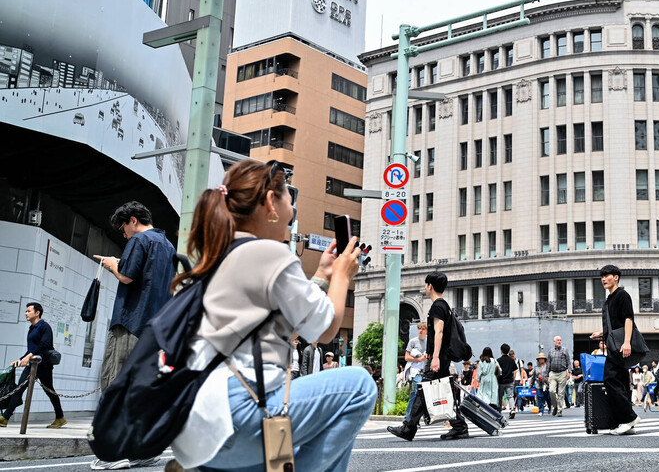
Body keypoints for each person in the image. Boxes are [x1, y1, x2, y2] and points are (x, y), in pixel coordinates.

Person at [167, 159, 376, 471]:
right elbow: (325, 330)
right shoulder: (269, 254)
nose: (292, 212)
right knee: (359, 386)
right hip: (238, 413)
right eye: (290, 199)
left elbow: (285, 327)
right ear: (270, 203)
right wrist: (343, 275)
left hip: (192, 425)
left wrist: (321, 277)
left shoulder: (213, 257)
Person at [93, 201, 176, 390]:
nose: (124, 235)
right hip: (155, 329)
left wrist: (112, 264)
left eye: (123, 228)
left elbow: (126, 277)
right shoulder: (169, 246)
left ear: (133, 220)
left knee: (115, 379)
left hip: (131, 323)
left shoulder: (139, 240)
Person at [388, 272, 470, 441]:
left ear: (430, 286)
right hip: (442, 357)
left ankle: (408, 428)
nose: (425, 287)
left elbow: (439, 332)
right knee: (441, 391)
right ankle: (459, 426)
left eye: (425, 285)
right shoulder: (444, 306)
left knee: (423, 390)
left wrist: (435, 357)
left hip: (439, 357)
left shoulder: (438, 306)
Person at [590, 264, 641, 435]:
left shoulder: (622, 295)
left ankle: (629, 418)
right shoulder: (609, 300)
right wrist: (601, 333)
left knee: (610, 379)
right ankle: (625, 423)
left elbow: (628, 319)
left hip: (620, 345)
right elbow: (615, 324)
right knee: (621, 382)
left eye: (607, 276)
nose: (604, 279)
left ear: (616, 277)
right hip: (613, 345)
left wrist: (627, 342)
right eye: (602, 277)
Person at [0, 303, 65, 429]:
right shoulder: (32, 328)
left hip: (43, 365)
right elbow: (32, 349)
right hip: (33, 364)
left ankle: (60, 417)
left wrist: (28, 357)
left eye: (28, 311)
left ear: (37, 313)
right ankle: (5, 418)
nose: (26, 313)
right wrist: (20, 359)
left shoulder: (44, 326)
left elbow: (44, 345)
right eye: (26, 311)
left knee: (50, 391)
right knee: (19, 389)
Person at [402, 323, 428, 421]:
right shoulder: (413, 341)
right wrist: (419, 359)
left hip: (425, 371)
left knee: (416, 394)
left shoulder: (428, 342)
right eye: (419, 328)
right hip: (415, 371)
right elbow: (406, 357)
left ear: (426, 331)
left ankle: (409, 417)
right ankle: (421, 416)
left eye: (423, 329)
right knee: (419, 391)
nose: (421, 330)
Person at [547, 336, 571, 416]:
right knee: (551, 390)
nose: (559, 341)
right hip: (553, 373)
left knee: (561, 392)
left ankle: (560, 410)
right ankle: (555, 406)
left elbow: (568, 362)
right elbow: (548, 363)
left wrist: (569, 372)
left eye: (560, 340)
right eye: (557, 340)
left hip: (562, 372)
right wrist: (547, 374)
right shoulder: (551, 351)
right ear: (554, 341)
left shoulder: (565, 350)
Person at [496, 344, 517, 417]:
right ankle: (512, 409)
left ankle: (499, 411)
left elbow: (497, 372)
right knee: (510, 396)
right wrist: (513, 379)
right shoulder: (512, 360)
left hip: (501, 381)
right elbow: (514, 371)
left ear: (501, 351)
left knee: (499, 396)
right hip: (509, 381)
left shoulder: (498, 360)